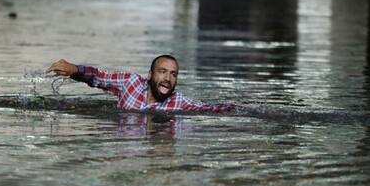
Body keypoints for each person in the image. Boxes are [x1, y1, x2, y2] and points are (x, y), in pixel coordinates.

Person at [46, 55, 239, 113]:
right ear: (150, 75)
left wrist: (250, 111)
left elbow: (211, 109)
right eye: (163, 72)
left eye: (173, 74)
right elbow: (98, 77)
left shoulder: (178, 102)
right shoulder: (130, 83)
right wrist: (75, 70)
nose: (168, 78)